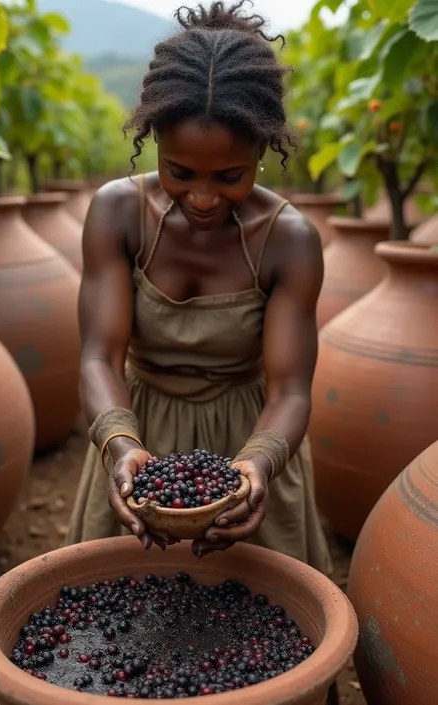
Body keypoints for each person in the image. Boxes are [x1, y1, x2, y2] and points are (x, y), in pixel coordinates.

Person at [66, 0, 332, 575]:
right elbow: (99, 356)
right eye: (180, 172)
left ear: (262, 150)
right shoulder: (117, 213)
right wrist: (121, 445)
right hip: (138, 432)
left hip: (248, 438)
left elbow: (290, 391)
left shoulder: (289, 242)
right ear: (154, 140)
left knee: (258, 619)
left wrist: (258, 464)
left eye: (229, 176)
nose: (205, 198)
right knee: (125, 624)